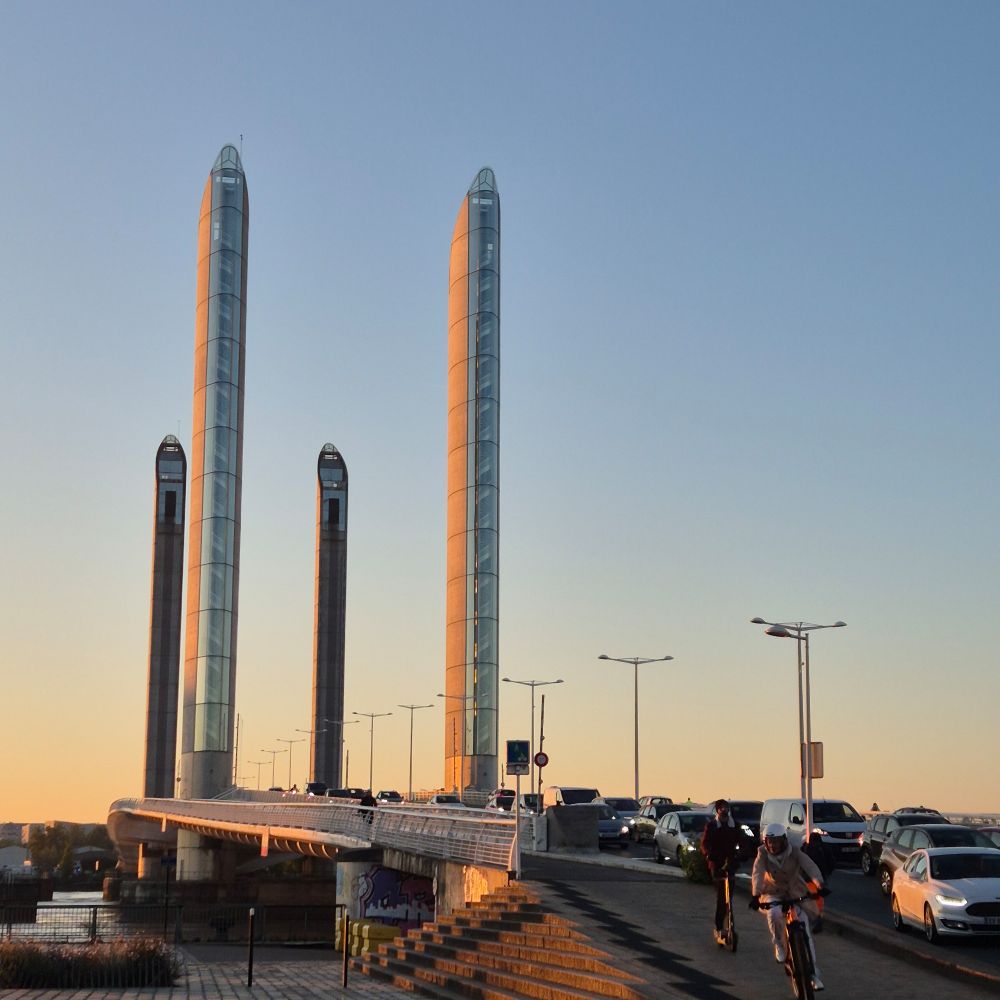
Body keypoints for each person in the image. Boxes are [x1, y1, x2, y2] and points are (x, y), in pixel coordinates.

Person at [751, 822, 829, 992]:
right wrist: (756, 895)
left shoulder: (794, 851)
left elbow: (809, 866)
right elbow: (757, 873)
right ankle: (779, 944)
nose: (773, 845)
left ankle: (814, 974)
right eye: (770, 841)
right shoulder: (762, 854)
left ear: (784, 840)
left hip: (795, 892)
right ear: (765, 842)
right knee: (775, 913)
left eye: (777, 841)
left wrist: (819, 884)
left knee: (805, 928)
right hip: (773, 892)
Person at [700, 798, 742, 945]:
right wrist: (708, 854)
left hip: (730, 864)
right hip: (717, 865)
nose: (724, 810)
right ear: (717, 810)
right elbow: (705, 844)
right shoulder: (711, 826)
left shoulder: (734, 826)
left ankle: (730, 925)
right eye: (721, 808)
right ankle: (719, 928)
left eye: (726, 808)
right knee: (721, 899)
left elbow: (743, 842)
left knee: (728, 899)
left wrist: (742, 853)